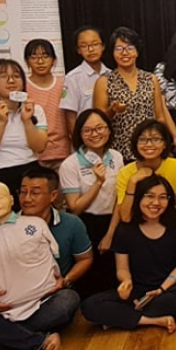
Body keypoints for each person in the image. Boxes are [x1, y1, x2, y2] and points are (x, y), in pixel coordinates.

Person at [0, 182, 77, 350]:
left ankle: (0, 338)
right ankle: (40, 340)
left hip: (42, 304)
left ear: (11, 200)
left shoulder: (35, 224)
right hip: (1, 313)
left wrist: (61, 280)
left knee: (68, 300)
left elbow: (55, 257)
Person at [81, 175, 176, 333]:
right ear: (138, 198)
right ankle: (152, 320)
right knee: (90, 306)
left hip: (166, 289)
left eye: (163, 197)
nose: (156, 203)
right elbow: (122, 268)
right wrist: (126, 281)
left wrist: (160, 290)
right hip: (136, 291)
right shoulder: (125, 230)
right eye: (150, 196)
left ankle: (122, 318)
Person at [93, 26, 176, 162]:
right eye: (119, 48)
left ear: (137, 51)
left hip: (149, 148)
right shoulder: (104, 82)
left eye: (129, 48)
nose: (124, 53)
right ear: (112, 52)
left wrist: (164, 144)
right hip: (119, 150)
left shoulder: (151, 79)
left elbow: (159, 117)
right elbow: (98, 123)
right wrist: (112, 110)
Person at [59, 108, 124, 293]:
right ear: (79, 134)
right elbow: (75, 208)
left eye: (100, 128)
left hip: (113, 221)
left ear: (109, 130)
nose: (95, 134)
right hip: (84, 224)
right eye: (87, 130)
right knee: (89, 282)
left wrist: (110, 234)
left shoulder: (117, 157)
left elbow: (120, 199)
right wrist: (98, 182)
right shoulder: (70, 164)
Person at [0, 59, 48, 205]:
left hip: (29, 170)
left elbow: (40, 147)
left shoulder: (35, 110)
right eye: (3, 76)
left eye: (16, 76)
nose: (11, 81)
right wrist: (2, 122)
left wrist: (27, 121)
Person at [19, 166, 93, 289]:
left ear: (53, 195)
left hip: (56, 290)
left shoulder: (72, 223)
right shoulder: (7, 226)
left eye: (35, 193)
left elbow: (85, 259)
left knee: (68, 297)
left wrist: (66, 280)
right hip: (18, 290)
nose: (27, 199)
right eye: (23, 192)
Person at [116, 120, 176, 223]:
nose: (149, 144)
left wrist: (153, 209)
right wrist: (132, 182)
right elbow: (125, 217)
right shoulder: (125, 172)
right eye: (142, 139)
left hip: (169, 222)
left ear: (165, 144)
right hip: (137, 224)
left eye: (156, 139)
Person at [23, 39, 71, 168]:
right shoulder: (23, 88)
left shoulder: (64, 84)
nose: (40, 61)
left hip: (64, 153)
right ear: (27, 61)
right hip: (33, 156)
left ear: (54, 60)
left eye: (45, 56)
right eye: (34, 57)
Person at [60, 25, 110, 137]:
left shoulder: (112, 75)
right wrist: (79, 142)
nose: (90, 49)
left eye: (95, 44)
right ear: (78, 50)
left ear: (103, 46)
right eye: (84, 46)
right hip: (87, 138)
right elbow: (70, 117)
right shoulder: (72, 78)